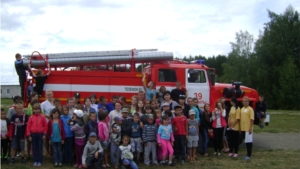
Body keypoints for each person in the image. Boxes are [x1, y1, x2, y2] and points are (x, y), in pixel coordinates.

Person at [26, 101, 48, 167]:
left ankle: (39, 160)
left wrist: (44, 134)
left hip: (40, 134)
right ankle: (35, 160)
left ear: (40, 110)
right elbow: (28, 127)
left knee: (40, 147)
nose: (37, 111)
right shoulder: (31, 118)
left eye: (38, 109)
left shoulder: (42, 117)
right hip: (33, 134)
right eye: (35, 109)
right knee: (34, 148)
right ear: (33, 110)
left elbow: (45, 126)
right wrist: (29, 135)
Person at [41, 89, 55, 157]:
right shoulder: (43, 104)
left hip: (54, 122)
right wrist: (48, 116)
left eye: (50, 94)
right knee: (47, 138)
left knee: (53, 136)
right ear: (46, 95)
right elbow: (41, 113)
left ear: (52, 94)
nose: (49, 96)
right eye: (48, 94)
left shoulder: (55, 102)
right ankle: (47, 152)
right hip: (46, 122)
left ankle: (52, 151)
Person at [240, 96, 254, 160]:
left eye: (246, 101)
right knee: (246, 142)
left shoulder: (250, 109)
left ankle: (249, 155)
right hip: (243, 128)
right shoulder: (242, 109)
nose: (245, 102)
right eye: (244, 101)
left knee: (249, 142)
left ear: (248, 102)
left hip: (248, 128)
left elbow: (252, 119)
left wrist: (250, 128)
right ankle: (247, 154)